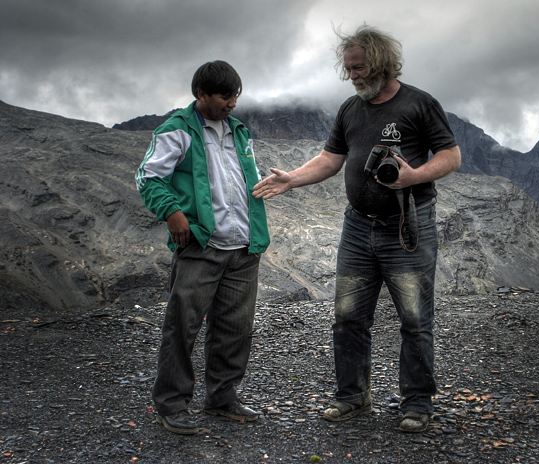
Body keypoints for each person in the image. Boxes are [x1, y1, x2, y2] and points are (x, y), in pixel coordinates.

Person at [252, 25, 461, 433]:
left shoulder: (420, 103)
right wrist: (291, 178)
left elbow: (451, 156)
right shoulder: (350, 109)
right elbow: (331, 159)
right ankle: (352, 397)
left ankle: (416, 404)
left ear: (381, 63)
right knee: (348, 317)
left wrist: (414, 175)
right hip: (357, 229)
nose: (353, 76)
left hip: (407, 227)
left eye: (359, 68)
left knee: (415, 320)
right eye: (348, 69)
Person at [135, 60, 270, 435]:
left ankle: (222, 396)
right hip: (201, 245)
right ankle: (172, 404)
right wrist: (172, 213)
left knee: (235, 327)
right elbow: (148, 177)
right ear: (201, 94)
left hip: (244, 246)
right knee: (183, 326)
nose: (232, 103)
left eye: (236, 95)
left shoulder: (239, 132)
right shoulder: (177, 130)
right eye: (225, 96)